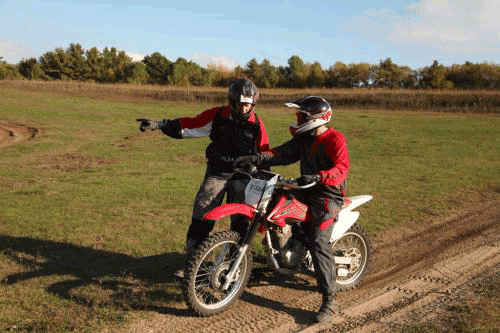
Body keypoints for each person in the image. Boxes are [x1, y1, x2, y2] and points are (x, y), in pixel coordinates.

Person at [234, 96, 349, 323]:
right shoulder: (305, 139)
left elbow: (341, 168)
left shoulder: (335, 139)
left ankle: (330, 300)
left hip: (328, 195)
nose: (297, 119)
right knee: (275, 204)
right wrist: (255, 158)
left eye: (300, 116)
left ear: (314, 118)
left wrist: (320, 176)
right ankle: (284, 249)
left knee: (318, 242)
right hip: (304, 187)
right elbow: (282, 154)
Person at [137, 78, 270, 257]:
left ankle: (236, 265)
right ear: (232, 101)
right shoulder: (218, 115)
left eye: (249, 105)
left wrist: (264, 181)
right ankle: (193, 259)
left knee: (240, 221)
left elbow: (265, 154)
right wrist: (160, 125)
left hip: (244, 177)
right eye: (240, 104)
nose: (245, 109)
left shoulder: (257, 124)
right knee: (202, 213)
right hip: (217, 172)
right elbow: (191, 125)